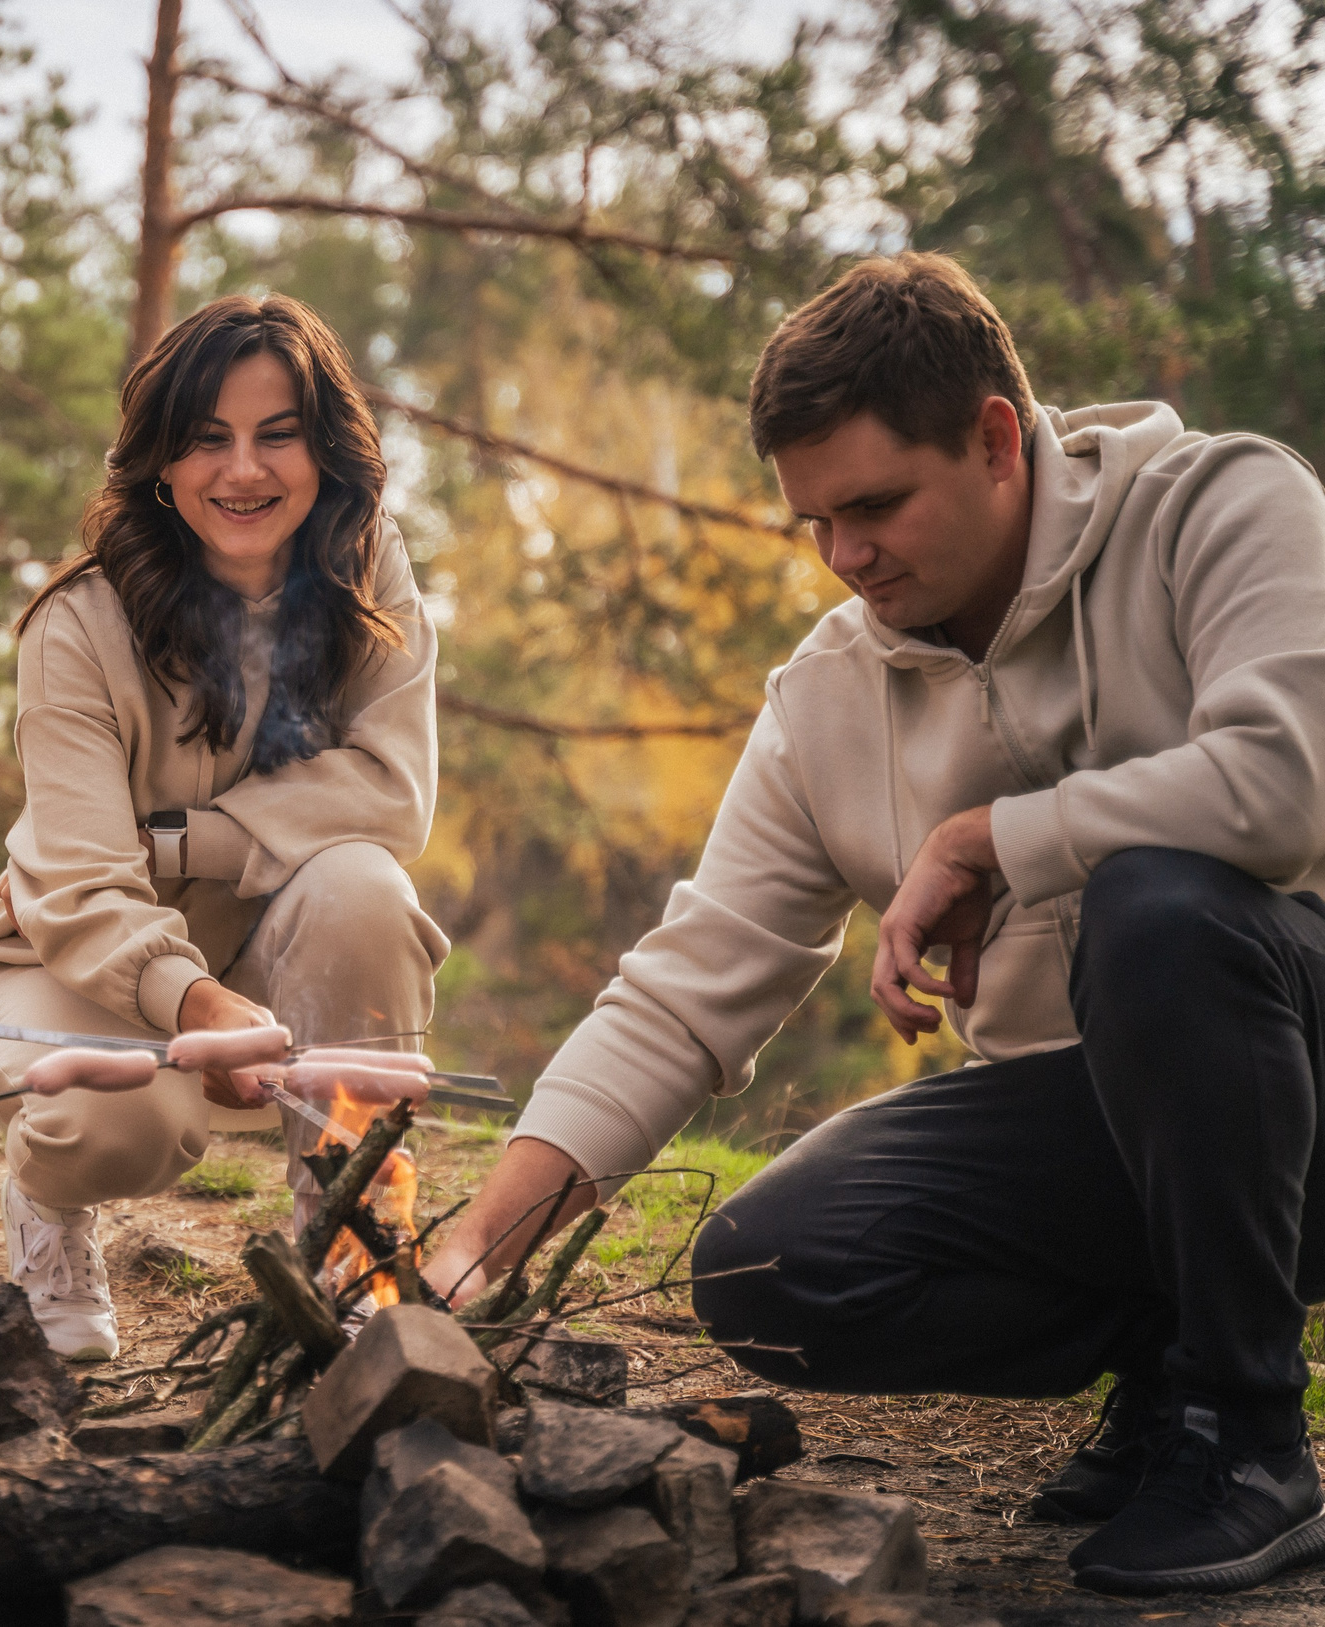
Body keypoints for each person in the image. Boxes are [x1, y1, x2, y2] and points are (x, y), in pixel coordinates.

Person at [424, 252, 1325, 1597]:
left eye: (876, 507)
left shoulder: (1223, 506)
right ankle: (1168, 1362)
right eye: (814, 525)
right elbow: (688, 986)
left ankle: (1246, 1433)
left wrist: (991, 836)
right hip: (1119, 1131)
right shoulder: (830, 696)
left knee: (1160, 904)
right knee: (772, 1265)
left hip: (1303, 1070)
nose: (846, 559)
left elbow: (1283, 779)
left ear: (996, 439)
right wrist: (472, 1250)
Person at [0, 294, 447, 1360]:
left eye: (278, 435)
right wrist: (196, 1000)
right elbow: (81, 887)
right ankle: (48, 1206)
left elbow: (392, 793)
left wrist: (183, 841)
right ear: (160, 464)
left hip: (276, 940)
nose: (243, 472)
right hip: (71, 958)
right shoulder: (75, 625)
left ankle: (357, 1241)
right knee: (119, 1119)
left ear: (327, 452)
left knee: (364, 886)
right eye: (206, 439)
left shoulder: (371, 573)